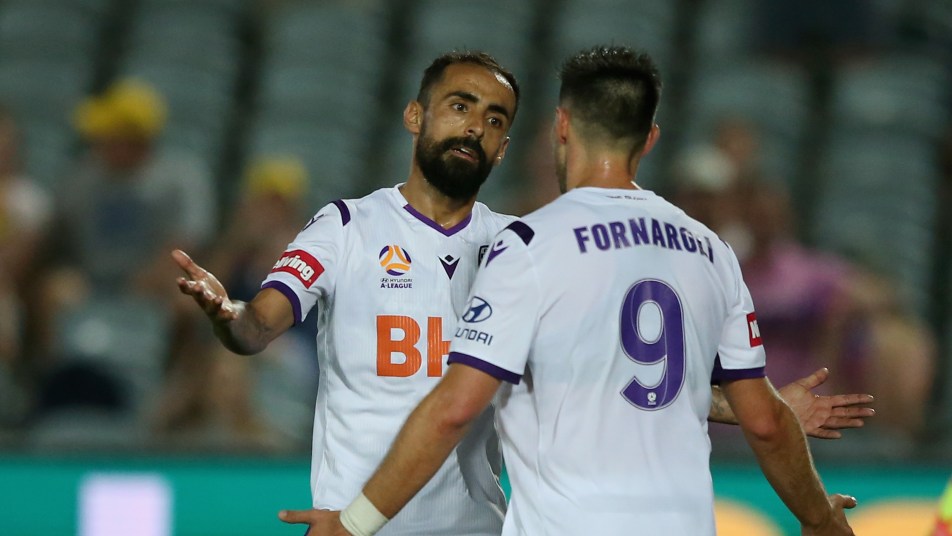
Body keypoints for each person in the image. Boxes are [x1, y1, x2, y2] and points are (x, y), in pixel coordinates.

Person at [176, 51, 869, 535]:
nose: (475, 127)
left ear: (519, 142)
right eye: (459, 106)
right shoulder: (347, 226)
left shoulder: (521, 244)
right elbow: (257, 327)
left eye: (495, 119)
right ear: (416, 115)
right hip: (363, 522)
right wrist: (228, 313)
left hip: (469, 524)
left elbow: (589, 377)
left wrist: (749, 407)